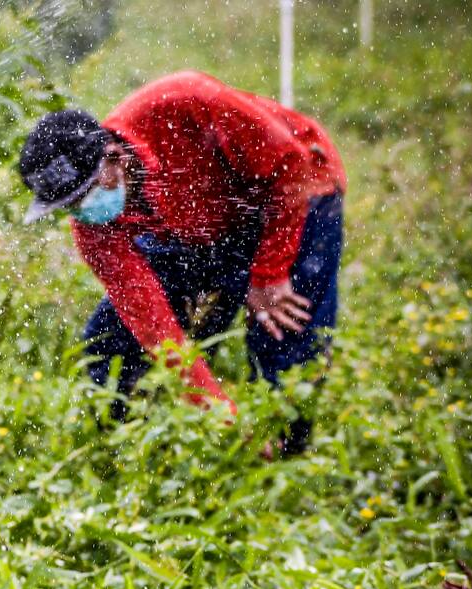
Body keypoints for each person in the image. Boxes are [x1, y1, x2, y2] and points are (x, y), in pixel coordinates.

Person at [18, 71, 345, 453]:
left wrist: (269, 275)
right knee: (111, 344)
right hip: (199, 224)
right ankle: (136, 455)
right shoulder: (95, 229)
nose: (82, 211)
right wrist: (220, 416)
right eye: (69, 205)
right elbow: (157, 329)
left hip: (297, 188)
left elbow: (289, 165)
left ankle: (286, 461)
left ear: (114, 156)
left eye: (85, 195)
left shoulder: (185, 103)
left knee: (283, 334)